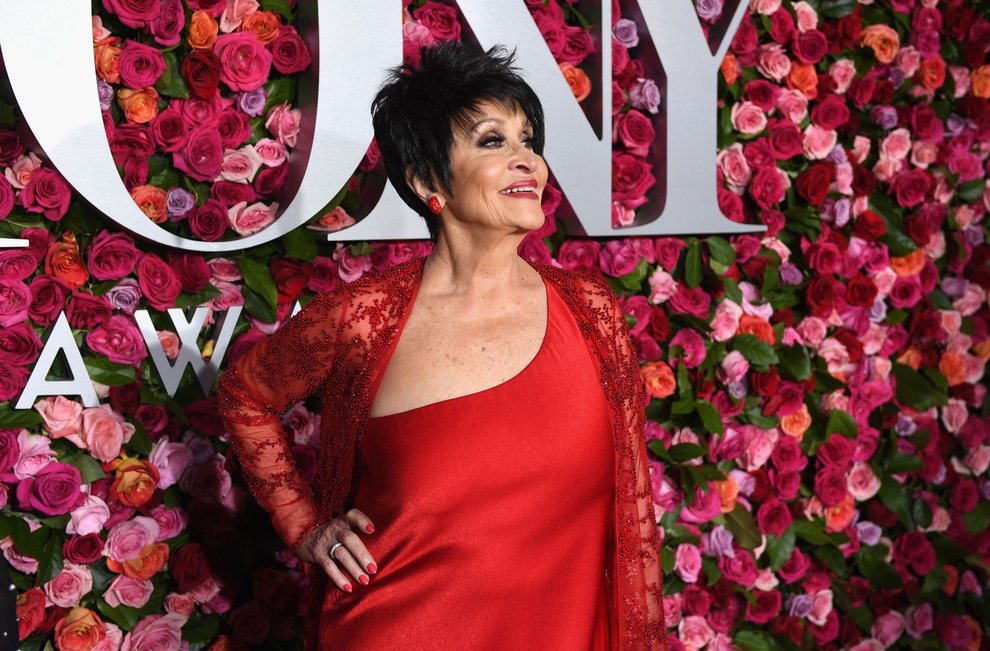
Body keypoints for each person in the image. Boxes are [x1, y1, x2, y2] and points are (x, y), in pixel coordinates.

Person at [217, 41, 665, 650]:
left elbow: (631, 517)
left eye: (528, 140)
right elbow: (245, 395)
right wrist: (304, 526)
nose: (527, 160)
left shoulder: (591, 313)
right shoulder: (363, 321)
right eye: (492, 141)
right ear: (429, 180)